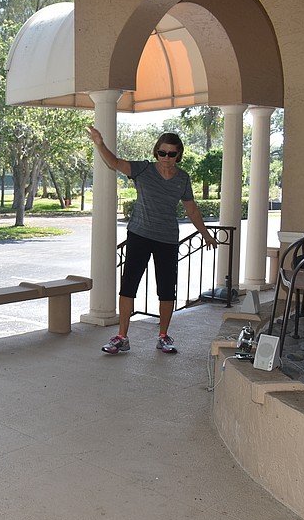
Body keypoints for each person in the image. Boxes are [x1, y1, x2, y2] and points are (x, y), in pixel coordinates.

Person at [86, 125, 217, 355]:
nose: (166, 158)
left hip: (167, 239)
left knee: (167, 290)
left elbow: (192, 210)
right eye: (162, 152)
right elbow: (114, 163)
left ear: (179, 155)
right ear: (156, 152)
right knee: (128, 287)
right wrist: (99, 143)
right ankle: (122, 337)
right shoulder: (143, 169)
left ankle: (164, 336)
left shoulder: (183, 179)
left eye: (171, 154)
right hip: (139, 235)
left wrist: (206, 234)